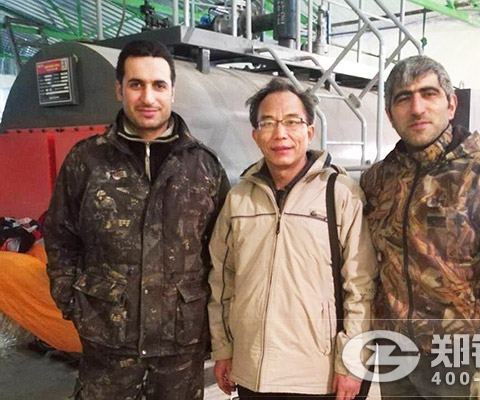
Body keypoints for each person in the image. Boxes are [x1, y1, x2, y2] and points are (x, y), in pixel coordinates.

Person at [44, 39, 230, 400]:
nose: (148, 97)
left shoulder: (203, 166)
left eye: (158, 85)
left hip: (180, 348)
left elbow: (223, 253)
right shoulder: (86, 161)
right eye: (136, 84)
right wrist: (73, 302)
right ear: (119, 89)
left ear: (173, 91)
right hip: (107, 345)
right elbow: (60, 237)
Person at [360, 55, 480, 400]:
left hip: (463, 365)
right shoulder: (378, 180)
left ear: (451, 105)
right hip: (395, 357)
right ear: (389, 114)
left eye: (428, 94)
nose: (417, 108)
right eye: (403, 98)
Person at [207, 78, 377, 400]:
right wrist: (223, 348)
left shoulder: (340, 194)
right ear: (255, 135)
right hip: (253, 371)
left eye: (292, 122)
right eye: (268, 123)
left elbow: (361, 285)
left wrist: (352, 361)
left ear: (309, 132)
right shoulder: (239, 199)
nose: (280, 134)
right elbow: (222, 281)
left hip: (319, 375)